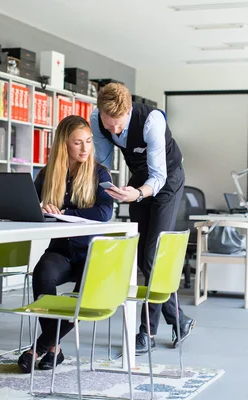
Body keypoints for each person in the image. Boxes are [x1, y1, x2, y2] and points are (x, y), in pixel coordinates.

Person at [91, 83, 195, 355]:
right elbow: (101, 161)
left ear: (128, 111)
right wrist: (107, 186)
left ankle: (146, 332)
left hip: (167, 180)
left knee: (153, 255)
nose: (113, 130)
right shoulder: (97, 120)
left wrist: (137, 194)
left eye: (119, 124)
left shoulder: (152, 121)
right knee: (141, 257)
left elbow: (158, 176)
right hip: (138, 179)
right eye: (107, 122)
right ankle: (179, 319)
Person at [17, 115, 113, 373]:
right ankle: (54, 350)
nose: (85, 148)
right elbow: (29, 208)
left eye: (89, 142)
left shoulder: (99, 173)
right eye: (78, 143)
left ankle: (37, 348)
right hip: (59, 252)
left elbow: (105, 212)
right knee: (42, 274)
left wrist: (66, 213)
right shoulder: (48, 174)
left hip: (90, 254)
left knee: (83, 298)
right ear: (64, 145)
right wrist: (43, 209)